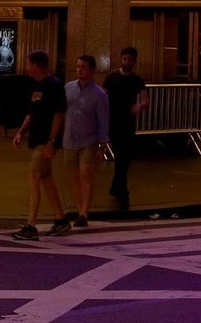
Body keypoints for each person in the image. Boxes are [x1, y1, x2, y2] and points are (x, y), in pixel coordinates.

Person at [11, 50, 69, 241]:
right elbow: (32, 112)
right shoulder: (36, 85)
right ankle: (61, 219)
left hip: (45, 141)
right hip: (36, 139)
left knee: (33, 178)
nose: (27, 68)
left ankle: (30, 226)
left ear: (36, 64)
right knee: (46, 179)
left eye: (28, 64)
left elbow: (59, 114)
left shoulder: (54, 85)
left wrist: (52, 141)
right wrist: (21, 132)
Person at [63, 55, 109, 228]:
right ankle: (78, 206)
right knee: (74, 177)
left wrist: (103, 144)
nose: (79, 69)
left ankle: (84, 212)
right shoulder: (68, 88)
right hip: (69, 139)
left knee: (86, 174)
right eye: (77, 66)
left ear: (92, 70)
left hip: (88, 139)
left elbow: (103, 120)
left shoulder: (99, 94)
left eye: (83, 67)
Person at [103, 46, 149, 211]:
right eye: (124, 59)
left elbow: (145, 99)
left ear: (134, 60)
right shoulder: (112, 77)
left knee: (125, 156)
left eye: (129, 59)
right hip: (114, 121)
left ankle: (117, 186)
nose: (126, 62)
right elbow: (103, 95)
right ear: (121, 59)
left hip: (128, 122)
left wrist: (139, 106)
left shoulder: (137, 79)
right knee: (121, 155)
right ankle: (122, 192)